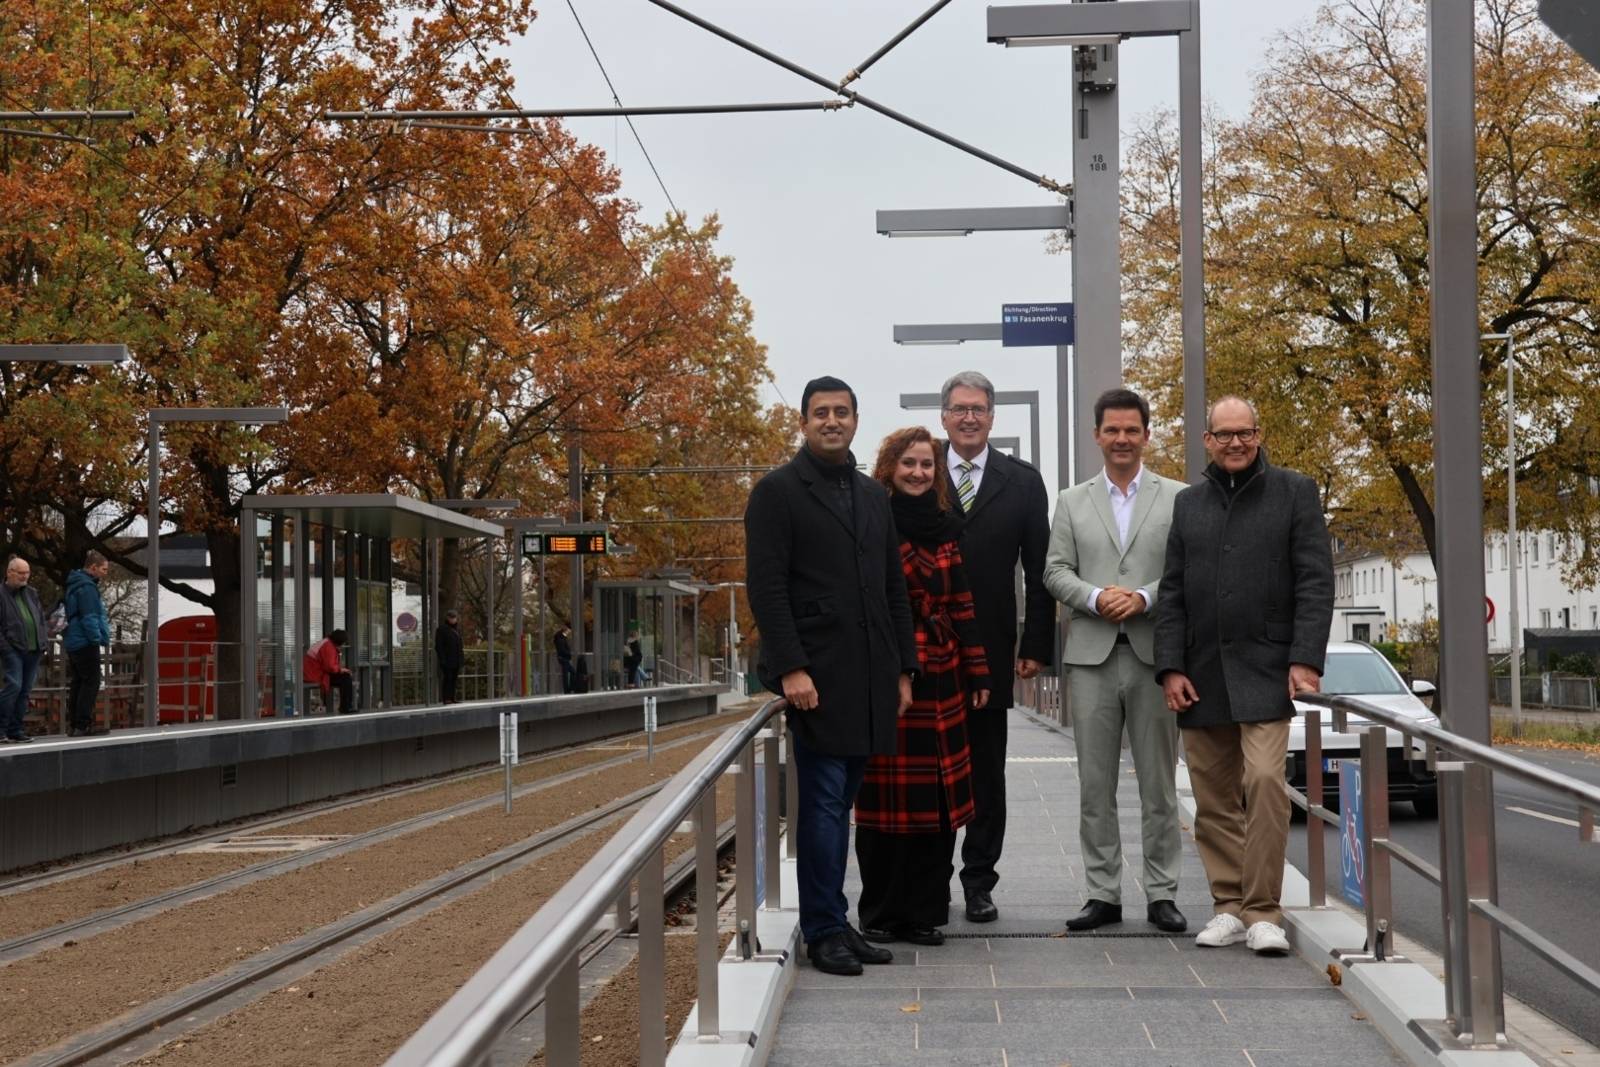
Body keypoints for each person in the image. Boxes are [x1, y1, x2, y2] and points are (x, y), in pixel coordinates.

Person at [745, 375, 917, 976]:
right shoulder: (777, 493)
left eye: (842, 412)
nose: (832, 421)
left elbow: (893, 586)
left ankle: (835, 919)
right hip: (815, 676)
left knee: (840, 804)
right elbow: (766, 588)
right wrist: (790, 666)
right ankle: (822, 930)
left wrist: (903, 668)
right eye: (821, 413)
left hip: (869, 675)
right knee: (821, 807)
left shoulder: (873, 496)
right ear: (803, 422)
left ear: (855, 420)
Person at [1154, 396, 1334, 956]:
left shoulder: (1294, 491)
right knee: (1212, 800)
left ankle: (1263, 912)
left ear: (1258, 435)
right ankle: (1228, 906)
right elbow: (1173, 593)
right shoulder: (1189, 505)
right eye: (1224, 434)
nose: (1235, 442)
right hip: (1201, 671)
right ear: (1207, 440)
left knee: (1262, 783)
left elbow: (1315, 580)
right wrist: (1170, 668)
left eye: (1245, 433)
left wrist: (1305, 656)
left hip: (1267, 668)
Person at [1043, 389, 1186, 934]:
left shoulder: (1177, 498)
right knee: (1094, 785)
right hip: (1091, 657)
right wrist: (1095, 596)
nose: (1122, 439)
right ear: (1097, 435)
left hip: (1155, 655)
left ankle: (1162, 893)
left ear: (1147, 435)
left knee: (1159, 784)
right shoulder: (1072, 501)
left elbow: (1183, 570)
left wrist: (1144, 596)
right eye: (1113, 430)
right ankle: (1102, 893)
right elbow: (1055, 570)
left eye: (1132, 430)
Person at [856, 427, 989, 947]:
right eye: (908, 463)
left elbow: (962, 603)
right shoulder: (871, 521)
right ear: (889, 468)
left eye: (927, 465)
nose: (918, 472)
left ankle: (926, 911)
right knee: (885, 802)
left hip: (945, 675)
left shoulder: (946, 528)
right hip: (889, 670)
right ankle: (882, 913)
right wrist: (894, 668)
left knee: (938, 802)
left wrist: (978, 670)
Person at [939, 370, 1055, 923]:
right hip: (928, 652)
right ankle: (931, 878)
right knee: (932, 768)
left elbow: (1041, 569)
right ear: (944, 416)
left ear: (991, 417)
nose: (968, 418)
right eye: (959, 409)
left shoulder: (1023, 482)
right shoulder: (917, 472)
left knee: (987, 773)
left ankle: (979, 882)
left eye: (978, 409)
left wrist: (1035, 643)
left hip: (991, 652)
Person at [63, 550, 112, 737]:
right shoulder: (87, 587)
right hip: (84, 640)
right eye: (104, 569)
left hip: (73, 640)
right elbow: (90, 616)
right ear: (93, 567)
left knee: (78, 681)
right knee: (91, 681)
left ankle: (74, 724)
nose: (105, 573)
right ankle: (83, 724)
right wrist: (96, 639)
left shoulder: (74, 584)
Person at [0, 557, 47, 743]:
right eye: (20, 573)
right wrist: (5, 647)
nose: (24, 576)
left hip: (34, 649)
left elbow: (41, 619)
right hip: (13, 648)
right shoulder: (1, 594)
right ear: (9, 572)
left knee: (25, 690)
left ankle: (16, 730)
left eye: (27, 572)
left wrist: (43, 642)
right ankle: (1, 729)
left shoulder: (32, 593)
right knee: (14, 686)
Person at [305, 629, 356, 715]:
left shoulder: (327, 643)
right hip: (316, 674)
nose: (343, 645)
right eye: (343, 643)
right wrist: (341, 670)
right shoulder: (328, 647)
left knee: (345, 677)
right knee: (346, 678)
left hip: (314, 672)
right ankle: (346, 707)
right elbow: (329, 667)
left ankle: (346, 706)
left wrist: (340, 670)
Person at [435, 610, 464, 704]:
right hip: (447, 659)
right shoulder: (442, 629)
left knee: (454, 679)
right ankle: (446, 698)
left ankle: (452, 697)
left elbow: (460, 646)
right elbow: (439, 646)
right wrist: (442, 659)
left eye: (454, 617)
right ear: (447, 618)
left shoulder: (457, 630)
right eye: (451, 617)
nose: (453, 619)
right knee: (448, 678)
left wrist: (461, 659)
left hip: (456, 659)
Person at [554, 625, 575, 694]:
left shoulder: (562, 638)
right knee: (569, 673)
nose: (569, 633)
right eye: (568, 631)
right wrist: (569, 654)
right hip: (564, 658)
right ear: (564, 631)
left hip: (563, 658)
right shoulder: (561, 639)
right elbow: (562, 650)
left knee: (568, 673)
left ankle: (568, 689)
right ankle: (567, 690)